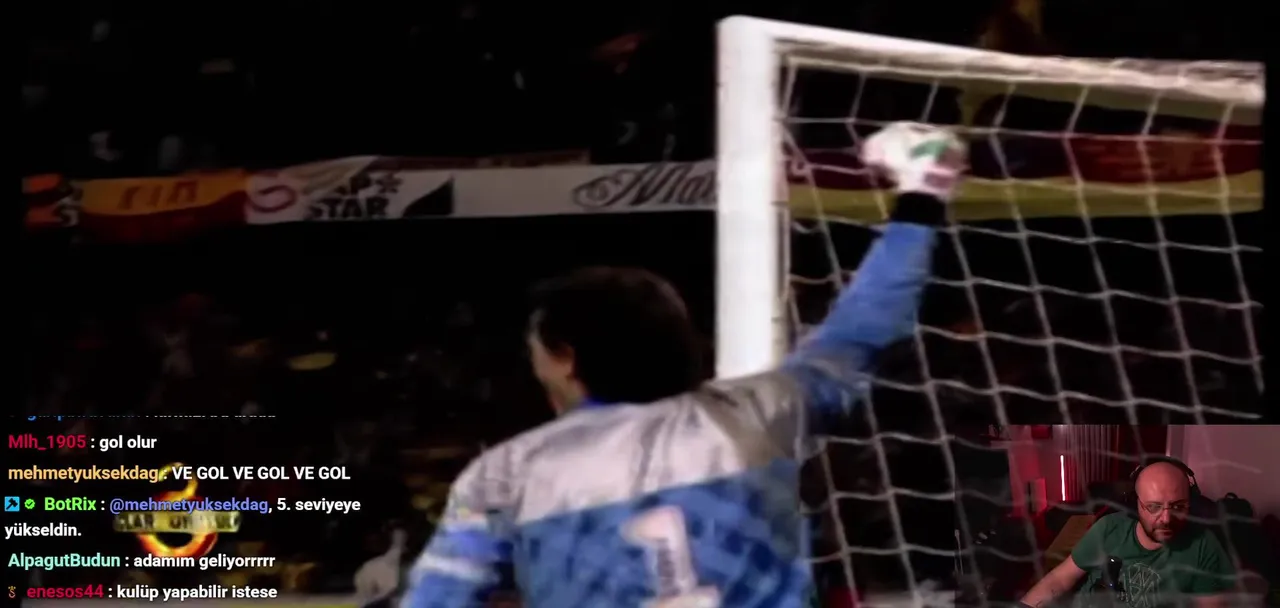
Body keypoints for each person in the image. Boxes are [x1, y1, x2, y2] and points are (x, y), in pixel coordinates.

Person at [401, 121, 967, 608]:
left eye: (537, 354)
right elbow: (862, 329)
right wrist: (921, 198)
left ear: (566, 358)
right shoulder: (758, 412)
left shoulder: (506, 474)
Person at [1017, 459, 1236, 608]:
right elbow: (1059, 579)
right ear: (1135, 504)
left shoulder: (1204, 546)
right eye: (1153, 507)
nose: (1166, 519)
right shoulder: (1108, 528)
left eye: (1178, 506)